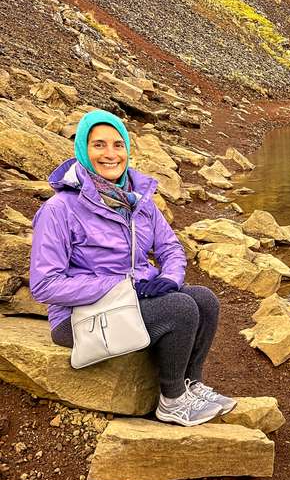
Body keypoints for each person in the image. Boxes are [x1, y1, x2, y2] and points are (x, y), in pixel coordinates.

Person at [30, 110, 236, 427]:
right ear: (83, 150)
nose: (110, 154)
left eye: (117, 144)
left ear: (127, 149)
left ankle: (190, 386)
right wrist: (119, 287)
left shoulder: (138, 200)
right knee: (180, 309)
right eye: (99, 145)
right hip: (79, 318)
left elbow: (170, 247)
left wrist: (169, 278)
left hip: (130, 301)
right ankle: (172, 401)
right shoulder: (59, 209)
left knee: (205, 299)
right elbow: (45, 285)